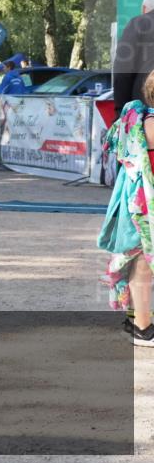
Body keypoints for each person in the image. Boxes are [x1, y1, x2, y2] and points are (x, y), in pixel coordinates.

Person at [100, 71, 154, 346]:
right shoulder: (150, 125)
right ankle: (143, 328)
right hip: (147, 206)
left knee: (139, 261)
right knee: (144, 263)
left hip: (137, 203)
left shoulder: (138, 120)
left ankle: (137, 320)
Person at [114, 0, 154, 115]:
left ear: (144, 9)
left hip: (145, 111)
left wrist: (121, 111)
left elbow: (123, 71)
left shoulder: (139, 23)